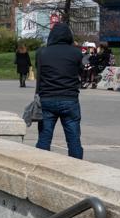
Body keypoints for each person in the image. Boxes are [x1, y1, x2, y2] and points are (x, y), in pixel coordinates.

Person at [35, 22, 84, 159]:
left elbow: (39, 72)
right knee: (74, 139)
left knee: (44, 138)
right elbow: (80, 72)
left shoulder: (41, 52)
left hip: (47, 99)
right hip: (69, 99)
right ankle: (76, 167)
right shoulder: (76, 53)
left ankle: (41, 166)